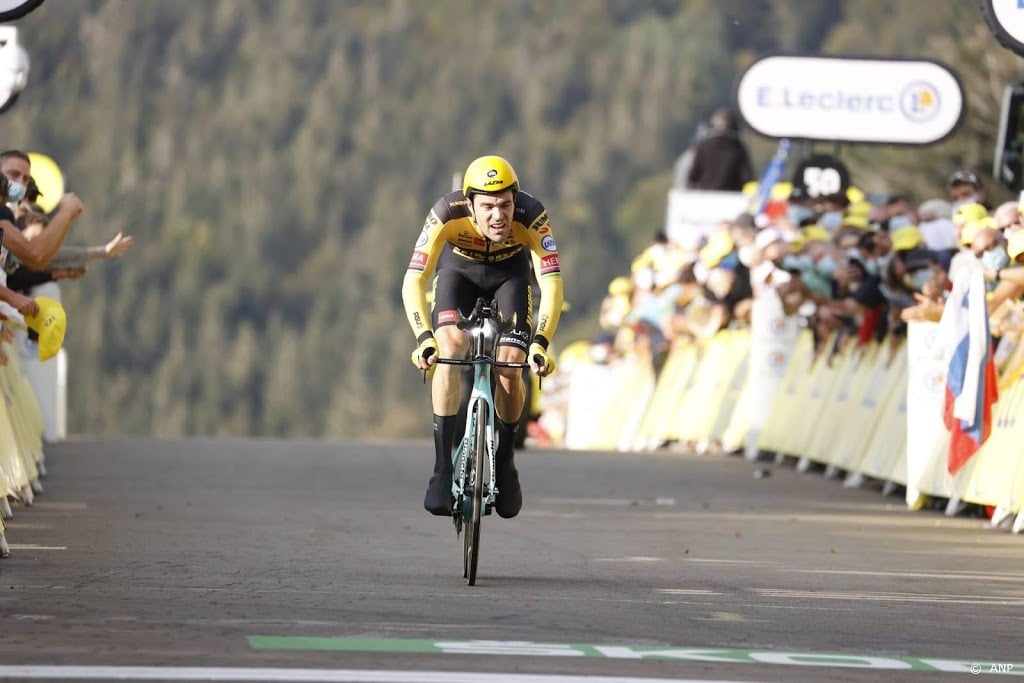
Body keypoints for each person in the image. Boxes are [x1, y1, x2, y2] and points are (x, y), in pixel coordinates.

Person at [402, 155, 562, 518]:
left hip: (511, 276)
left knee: (509, 365)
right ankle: (443, 469)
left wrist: (540, 342)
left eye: (505, 205)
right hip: (459, 272)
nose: (498, 216)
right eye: (487, 206)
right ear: (470, 204)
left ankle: (505, 464)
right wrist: (423, 336)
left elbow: (551, 285)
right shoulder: (447, 211)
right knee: (450, 347)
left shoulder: (531, 214)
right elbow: (414, 279)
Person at [685, 108, 754, 192]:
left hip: (704, 199)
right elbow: (747, 178)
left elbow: (693, 177)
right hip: (732, 199)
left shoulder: (703, 147)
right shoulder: (738, 148)